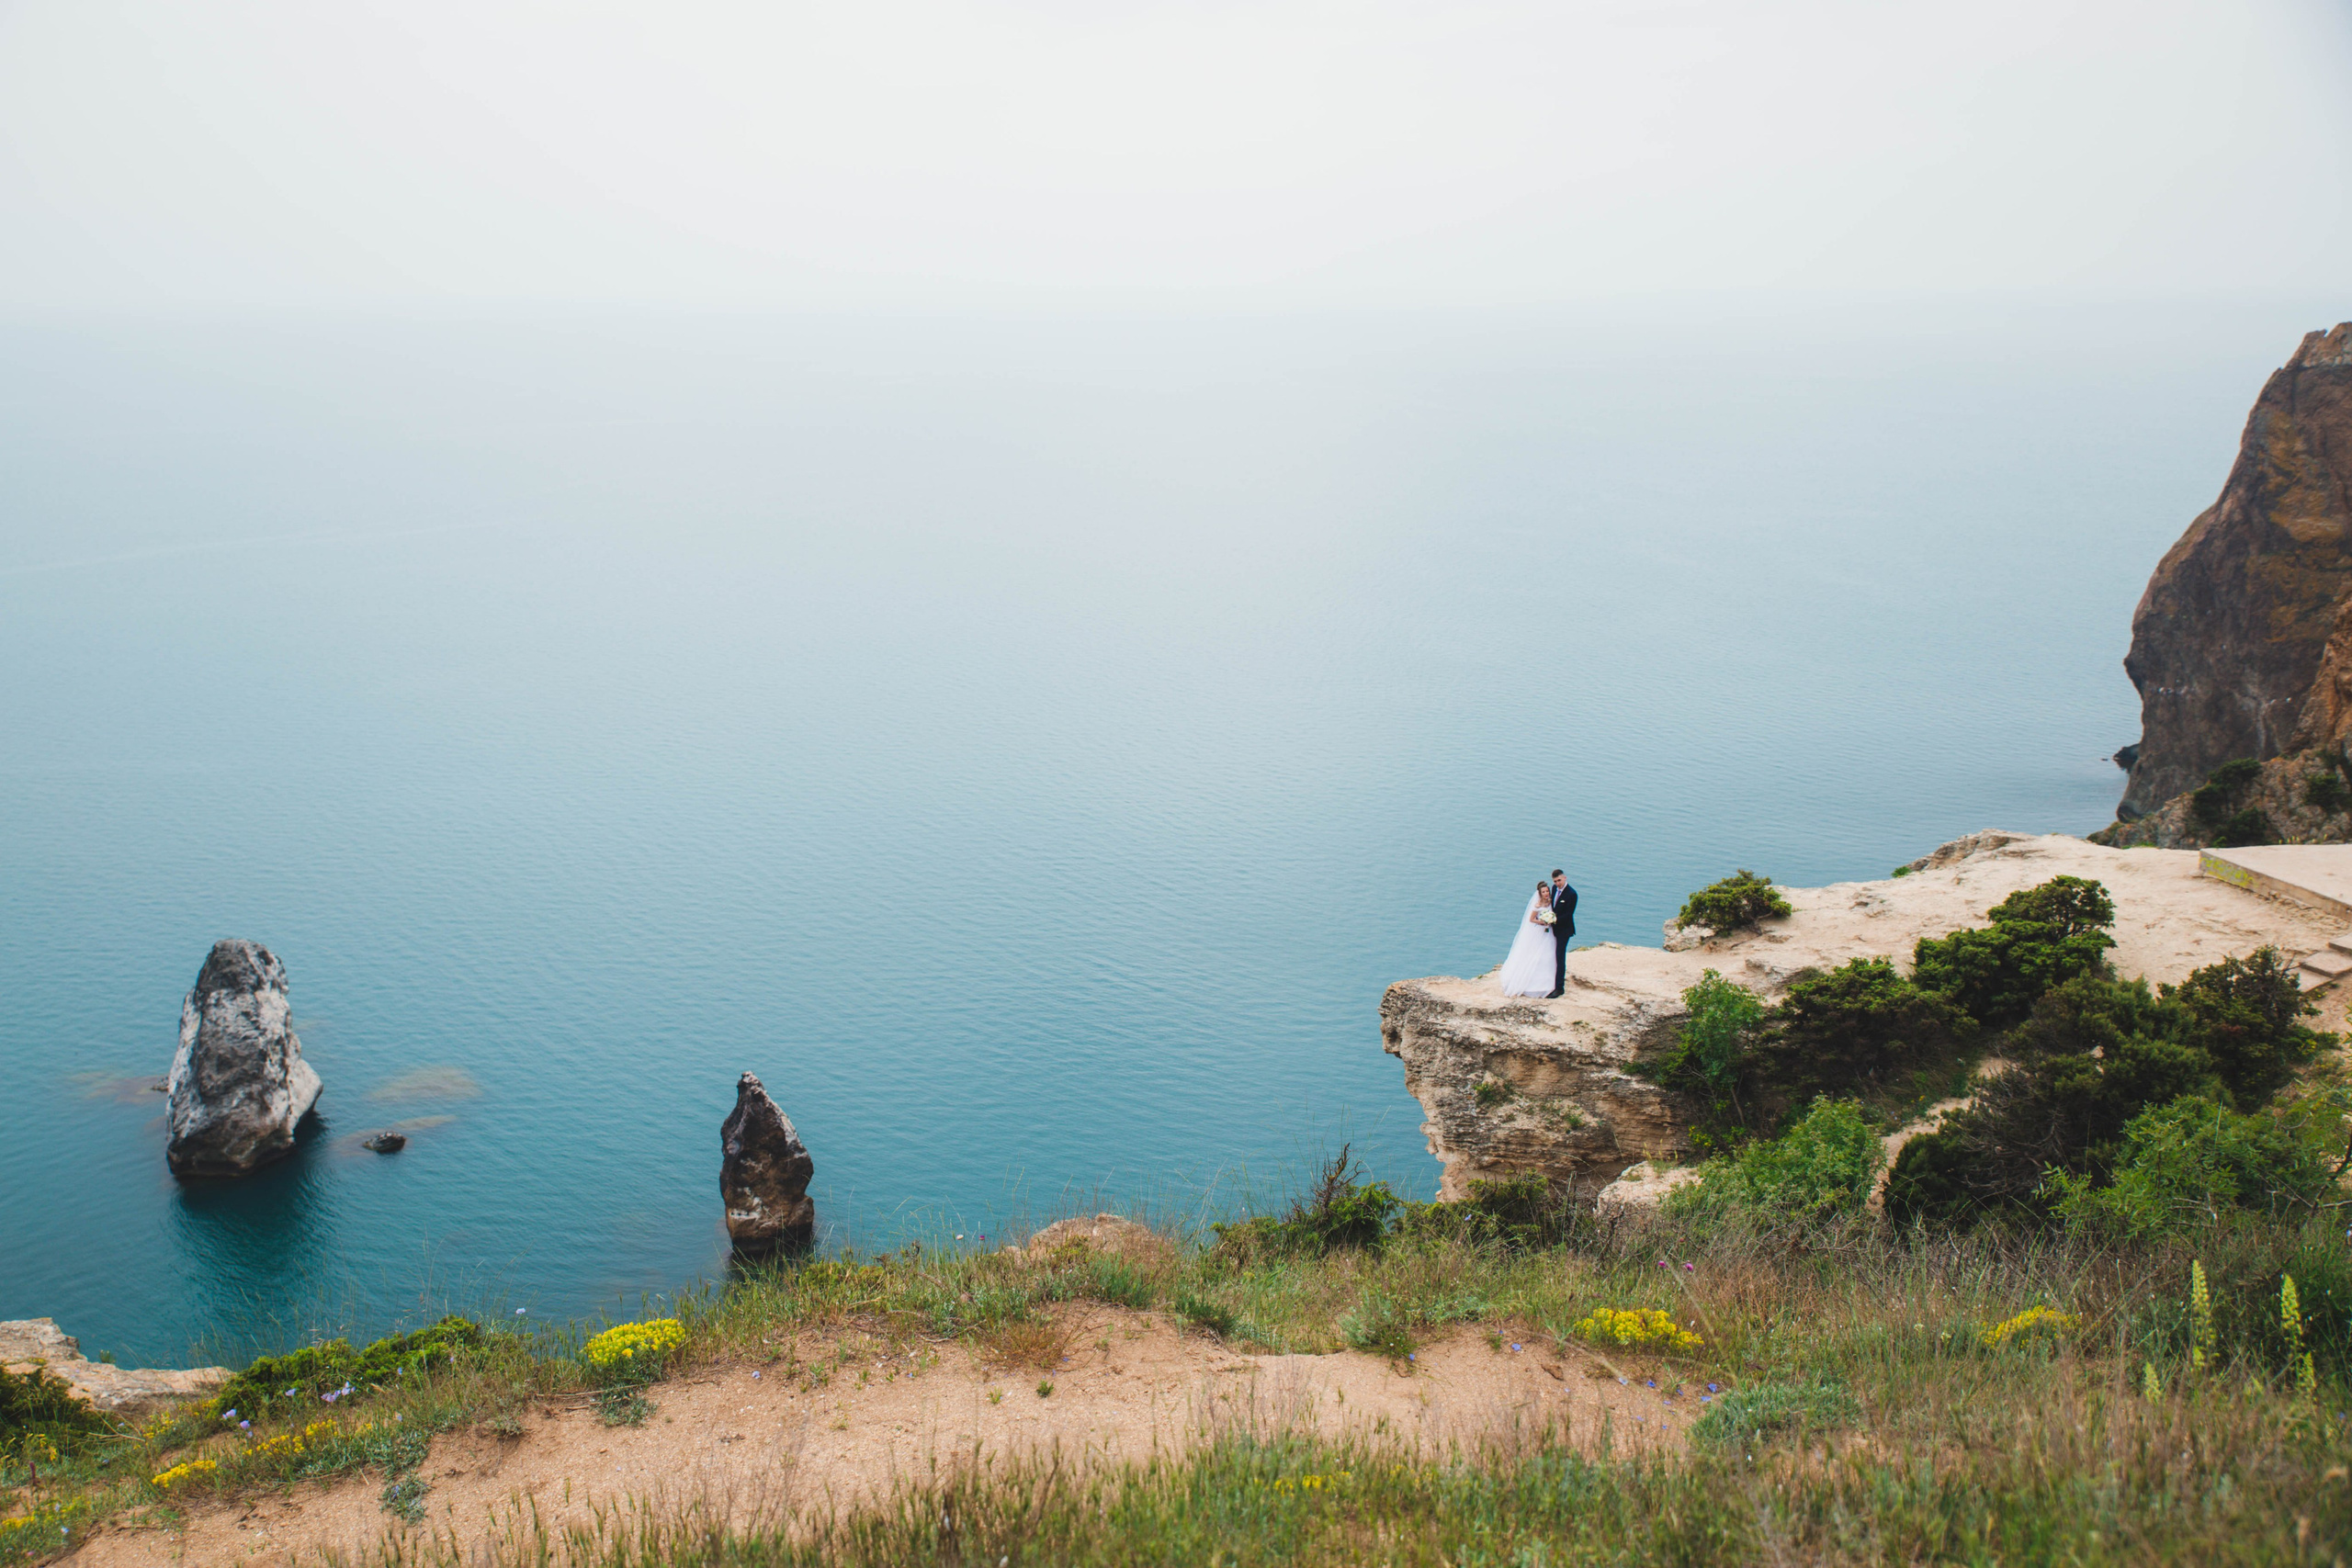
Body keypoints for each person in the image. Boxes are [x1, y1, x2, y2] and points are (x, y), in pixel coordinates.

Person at [1497, 880, 1557, 997]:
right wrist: (1542, 921)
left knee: (1548, 955)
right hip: (1539, 931)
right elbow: (1531, 919)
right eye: (1543, 892)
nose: (1546, 893)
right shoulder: (1537, 905)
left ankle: (1548, 983)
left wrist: (1550, 920)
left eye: (1547, 891)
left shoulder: (1550, 903)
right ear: (1540, 893)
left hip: (1548, 933)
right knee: (1535, 954)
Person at [1546, 868, 1578, 998]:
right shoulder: (1554, 889)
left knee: (1560, 956)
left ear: (1565, 878)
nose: (1557, 883)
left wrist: (1553, 919)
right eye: (1555, 881)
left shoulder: (1572, 894)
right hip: (1553, 928)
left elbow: (1568, 914)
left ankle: (1559, 987)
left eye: (1559, 880)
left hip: (1564, 930)